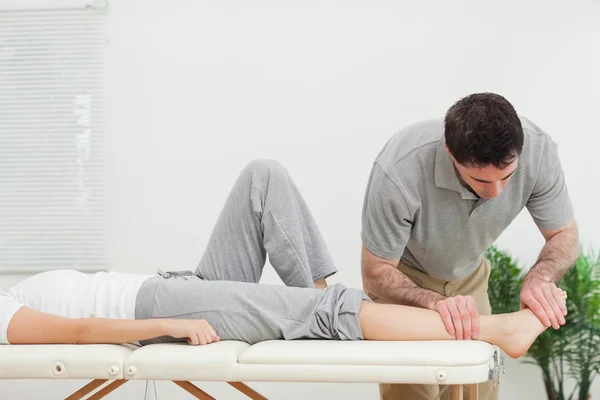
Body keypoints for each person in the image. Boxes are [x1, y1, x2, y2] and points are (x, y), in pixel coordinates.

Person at [2, 159, 565, 364]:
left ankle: (324, 303)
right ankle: (498, 330)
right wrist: (167, 326)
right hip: (154, 307)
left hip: (172, 284)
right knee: (324, 313)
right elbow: (77, 332)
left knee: (262, 176)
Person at [360, 92, 579, 400]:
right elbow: (375, 272)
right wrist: (434, 302)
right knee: (411, 386)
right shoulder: (399, 170)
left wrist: (539, 278)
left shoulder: (539, 150)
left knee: (481, 386)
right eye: (481, 181)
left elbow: (564, 234)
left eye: (507, 177)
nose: (497, 193)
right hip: (404, 281)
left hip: (470, 278)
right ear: (451, 153)